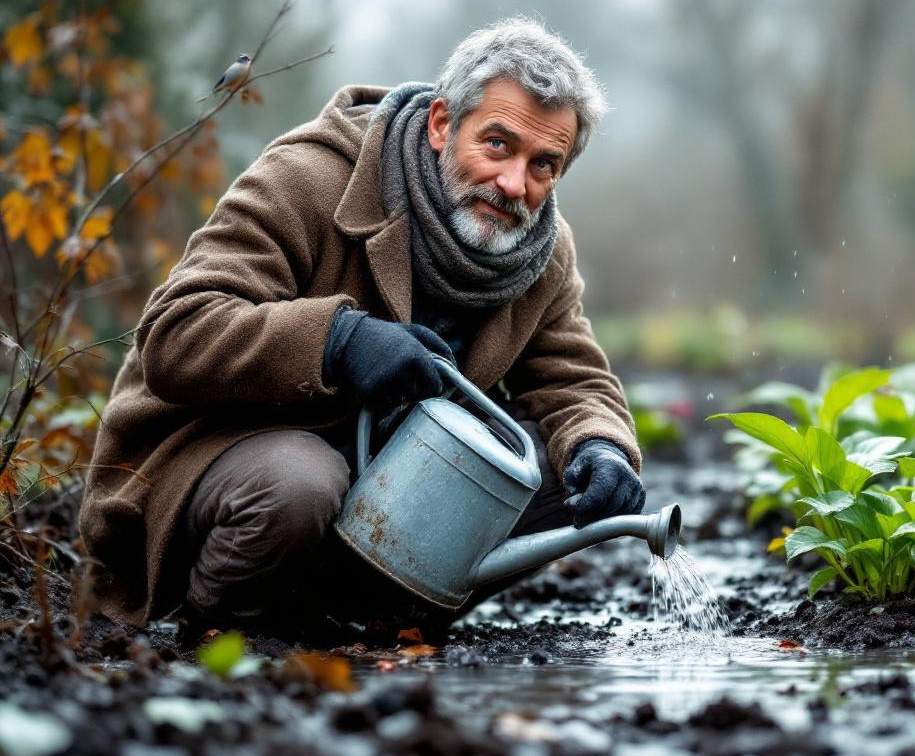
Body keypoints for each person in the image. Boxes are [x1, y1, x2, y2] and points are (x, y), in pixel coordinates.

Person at [78, 18, 645, 631]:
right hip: (214, 465)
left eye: (545, 165)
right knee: (301, 483)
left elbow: (575, 380)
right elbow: (175, 334)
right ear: (441, 124)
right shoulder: (310, 177)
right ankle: (211, 633)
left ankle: (372, 622)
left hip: (378, 496)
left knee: (568, 472)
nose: (515, 184)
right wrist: (337, 342)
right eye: (498, 145)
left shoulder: (543, 251)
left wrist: (601, 445)